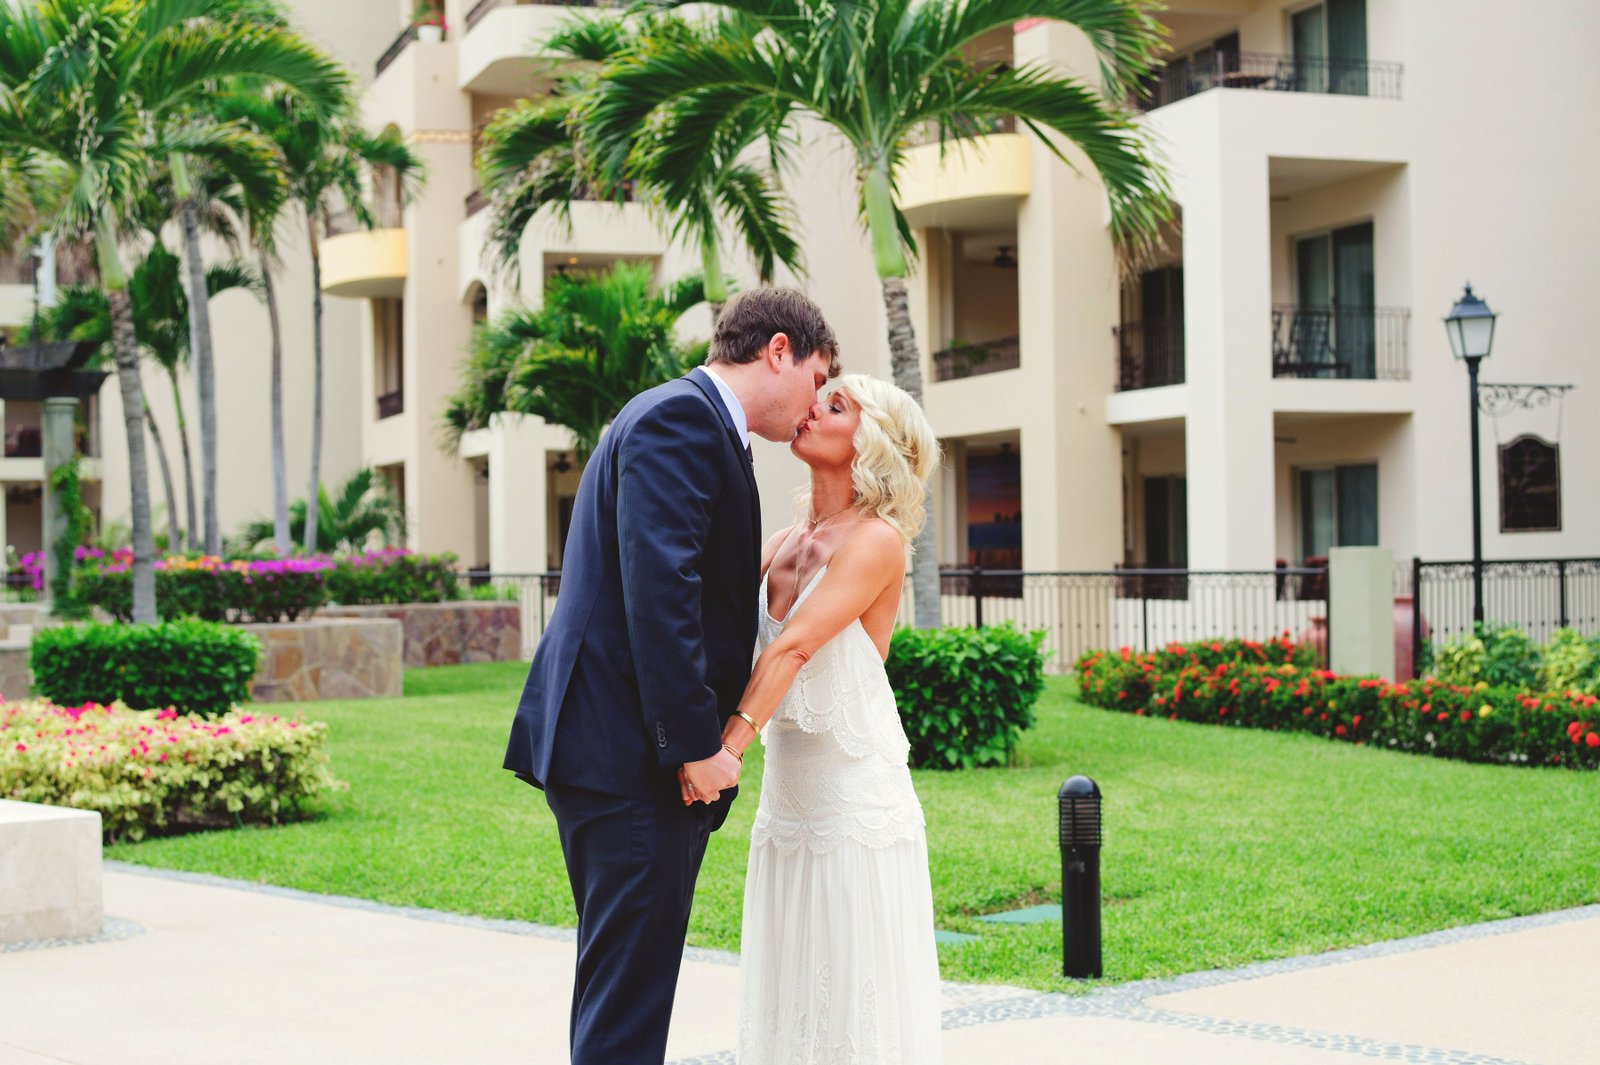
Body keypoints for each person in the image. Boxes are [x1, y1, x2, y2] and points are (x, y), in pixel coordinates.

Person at [503, 288, 840, 1065]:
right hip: (629, 759)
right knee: (627, 1006)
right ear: (779, 350)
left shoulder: (689, 422)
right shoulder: (682, 419)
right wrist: (693, 745)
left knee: (621, 988)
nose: (815, 400)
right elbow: (662, 591)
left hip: (615, 752)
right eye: (817, 376)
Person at [710, 373, 944, 1064]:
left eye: (836, 405)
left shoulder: (878, 541)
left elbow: (795, 642)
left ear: (869, 443)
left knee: (850, 988)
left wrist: (726, 749)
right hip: (789, 802)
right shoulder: (781, 540)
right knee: (791, 987)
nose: (813, 408)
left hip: (853, 802)